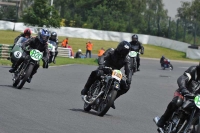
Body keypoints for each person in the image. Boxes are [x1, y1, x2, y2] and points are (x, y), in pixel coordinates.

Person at [81, 41, 133, 109]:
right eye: (122, 50)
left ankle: (112, 99)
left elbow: (128, 69)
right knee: (96, 73)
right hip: (105, 69)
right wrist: (101, 64)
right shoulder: (111, 51)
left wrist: (129, 79)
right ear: (119, 48)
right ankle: (86, 89)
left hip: (115, 73)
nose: (123, 53)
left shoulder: (127, 59)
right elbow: (103, 57)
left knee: (126, 86)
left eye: (125, 51)